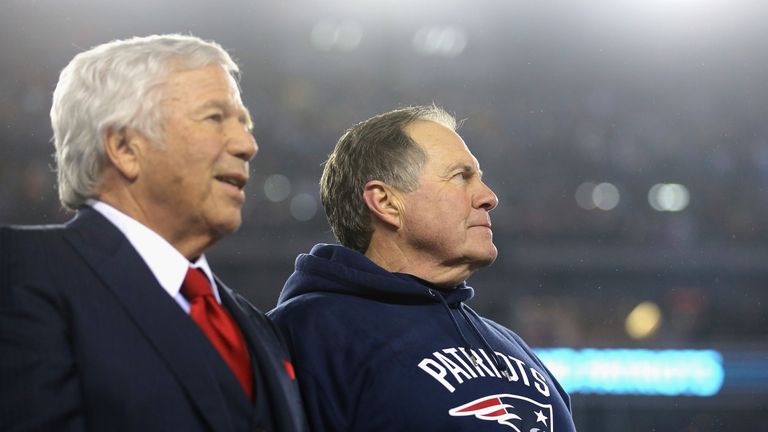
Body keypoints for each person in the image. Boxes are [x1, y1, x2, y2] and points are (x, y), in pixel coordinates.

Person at [0, 34, 307, 431]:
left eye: (245, 123)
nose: (248, 144)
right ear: (125, 147)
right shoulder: (21, 273)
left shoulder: (256, 325)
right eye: (215, 118)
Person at [268, 105, 577, 431]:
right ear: (386, 203)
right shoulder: (307, 334)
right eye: (461, 177)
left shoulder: (511, 345)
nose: (489, 197)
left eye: (480, 179)